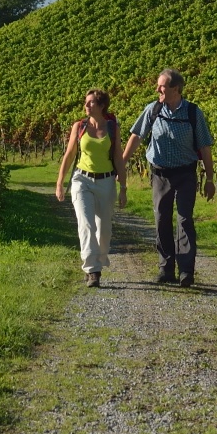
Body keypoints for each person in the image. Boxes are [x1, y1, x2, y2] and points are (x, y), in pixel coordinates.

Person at [121, 68, 214, 287]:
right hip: (160, 173)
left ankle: (186, 271)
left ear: (175, 89)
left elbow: (205, 146)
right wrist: (122, 164)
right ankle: (166, 268)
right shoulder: (152, 110)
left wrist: (210, 179)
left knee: (184, 220)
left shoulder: (193, 112)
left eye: (161, 86)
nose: (157, 89)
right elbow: (136, 136)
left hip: (185, 173)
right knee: (161, 219)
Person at [54, 89, 127, 287]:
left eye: (91, 102)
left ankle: (98, 260)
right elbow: (69, 155)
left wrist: (123, 187)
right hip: (81, 180)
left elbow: (118, 157)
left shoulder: (112, 128)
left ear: (102, 106)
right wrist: (60, 182)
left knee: (104, 230)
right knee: (86, 224)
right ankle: (92, 270)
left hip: (106, 181)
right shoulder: (79, 126)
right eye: (86, 102)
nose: (86, 106)